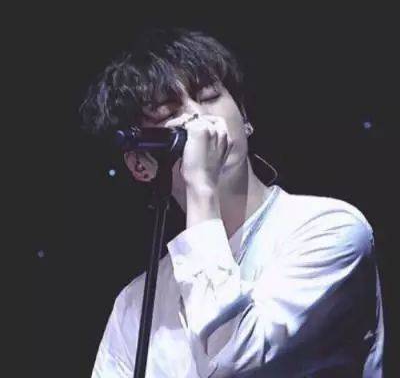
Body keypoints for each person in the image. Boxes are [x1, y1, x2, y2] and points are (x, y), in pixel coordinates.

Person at [80, 28, 384, 377]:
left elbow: (235, 360)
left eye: (209, 96)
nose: (199, 119)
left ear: (244, 115)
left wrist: (201, 187)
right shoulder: (134, 305)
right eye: (166, 113)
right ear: (140, 164)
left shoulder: (329, 230)